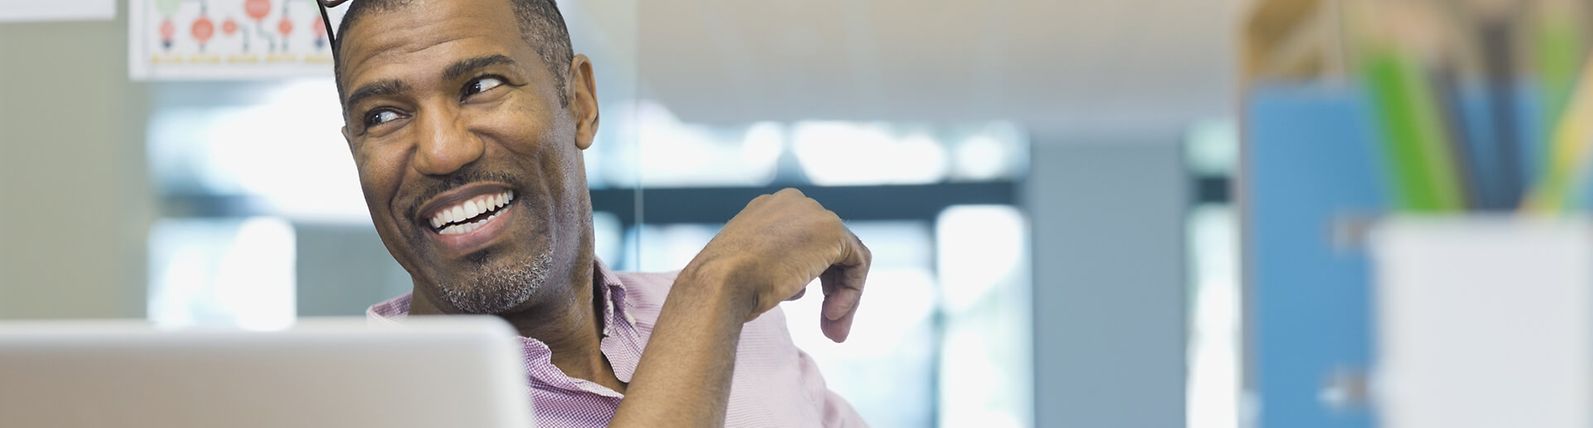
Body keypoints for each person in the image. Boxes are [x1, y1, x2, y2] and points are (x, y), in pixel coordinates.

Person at [320, 0, 872, 426]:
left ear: (580, 102)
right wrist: (712, 292)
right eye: (384, 115)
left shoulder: (752, 332)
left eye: (480, 86)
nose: (442, 151)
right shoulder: (345, 405)